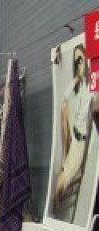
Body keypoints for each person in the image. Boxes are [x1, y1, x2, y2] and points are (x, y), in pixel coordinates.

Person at [52, 44, 92, 222]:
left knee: (60, 182)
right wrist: (75, 79)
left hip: (80, 141)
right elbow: (65, 98)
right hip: (74, 136)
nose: (79, 66)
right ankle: (57, 204)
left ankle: (56, 204)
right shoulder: (80, 84)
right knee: (64, 108)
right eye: (77, 62)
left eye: (81, 61)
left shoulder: (91, 86)